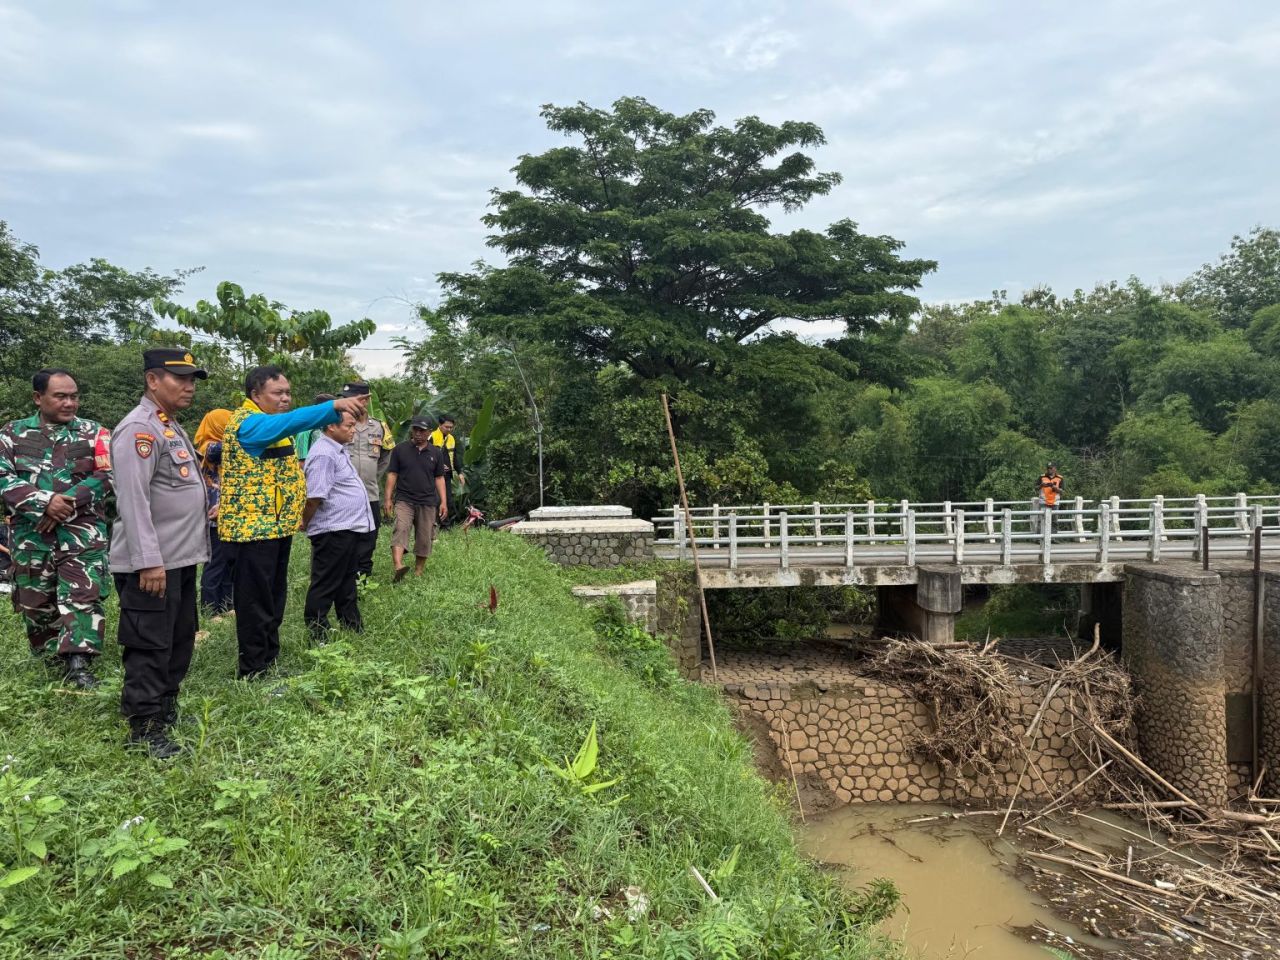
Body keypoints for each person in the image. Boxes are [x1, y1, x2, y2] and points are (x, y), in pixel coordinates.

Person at [219, 365, 369, 680]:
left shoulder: (273, 426)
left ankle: (269, 661)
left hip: (275, 528)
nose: (286, 398)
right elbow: (292, 421)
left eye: (288, 392)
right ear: (255, 395)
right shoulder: (249, 425)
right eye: (278, 393)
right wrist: (332, 407)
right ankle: (253, 670)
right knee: (256, 603)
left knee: (274, 599)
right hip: (252, 532)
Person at [109, 349, 210, 758]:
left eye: (192, 380)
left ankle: (165, 708)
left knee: (179, 638)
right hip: (153, 564)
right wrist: (149, 560)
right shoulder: (139, 429)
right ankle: (144, 727)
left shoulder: (167, 425)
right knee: (150, 645)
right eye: (179, 379)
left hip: (180, 559)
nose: (189, 387)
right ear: (153, 380)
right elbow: (133, 500)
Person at [0, 369, 112, 688]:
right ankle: (52, 662)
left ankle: (79, 665)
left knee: (83, 596)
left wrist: (66, 503)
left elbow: (109, 474)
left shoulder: (96, 433)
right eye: (60, 396)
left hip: (82, 535)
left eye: (74, 396)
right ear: (38, 398)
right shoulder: (12, 434)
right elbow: (3, 476)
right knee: (35, 603)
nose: (69, 402)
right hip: (30, 537)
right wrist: (43, 502)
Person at [301, 410, 374, 641]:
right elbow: (314, 496)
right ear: (331, 427)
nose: (353, 430)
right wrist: (305, 521)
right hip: (333, 529)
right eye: (349, 426)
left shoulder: (338, 450)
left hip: (347, 527)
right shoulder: (324, 453)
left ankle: (352, 626)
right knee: (326, 582)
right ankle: (318, 631)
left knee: (347, 581)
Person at [339, 382, 392, 578]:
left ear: (365, 400)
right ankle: (346, 573)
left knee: (369, 535)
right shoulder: (339, 424)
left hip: (370, 493)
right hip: (344, 494)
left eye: (355, 398)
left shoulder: (379, 426)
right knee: (346, 535)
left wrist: (374, 474)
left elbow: (387, 453)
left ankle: (363, 576)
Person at [385, 417, 447, 582]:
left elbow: (439, 478)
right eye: (415, 430)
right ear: (412, 430)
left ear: (429, 432)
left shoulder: (436, 452)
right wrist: (388, 499)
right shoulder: (400, 450)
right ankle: (398, 566)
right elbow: (392, 474)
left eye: (422, 431)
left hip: (427, 501)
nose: (418, 434)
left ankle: (418, 572)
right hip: (404, 498)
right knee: (400, 527)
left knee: (424, 537)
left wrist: (444, 502)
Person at [194, 408, 234, 616]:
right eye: (227, 423)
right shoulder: (208, 446)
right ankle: (210, 609)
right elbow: (228, 447)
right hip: (214, 514)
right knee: (215, 564)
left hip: (228, 513)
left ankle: (227, 605)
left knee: (228, 564)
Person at [429, 413, 464, 526]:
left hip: (447, 475)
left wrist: (460, 472)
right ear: (440, 425)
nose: (449, 429)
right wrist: (438, 465)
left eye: (451, 427)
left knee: (447, 500)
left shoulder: (451, 438)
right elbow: (425, 456)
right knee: (435, 500)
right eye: (446, 427)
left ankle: (445, 525)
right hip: (433, 475)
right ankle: (432, 523)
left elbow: (454, 457)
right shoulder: (432, 436)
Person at [1034, 463, 1064, 532]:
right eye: (1048, 468)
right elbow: (1036, 488)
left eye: (1051, 468)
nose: (1049, 470)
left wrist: (1056, 488)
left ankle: (1053, 538)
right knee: (1041, 520)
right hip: (1043, 501)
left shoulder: (1060, 478)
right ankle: (1039, 538)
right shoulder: (1041, 477)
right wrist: (1041, 485)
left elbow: (1062, 491)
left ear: (1055, 469)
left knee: (1054, 521)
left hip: (1055, 502)